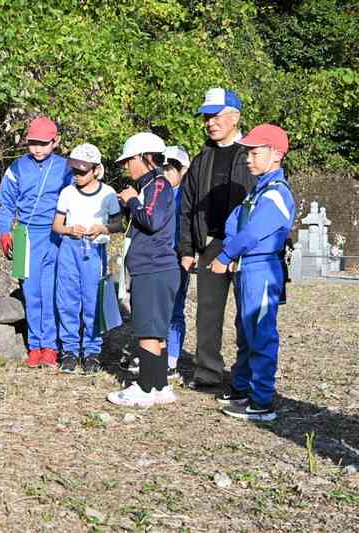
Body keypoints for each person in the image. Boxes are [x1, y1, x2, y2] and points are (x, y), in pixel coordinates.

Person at [209, 124, 295, 422]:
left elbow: (254, 233)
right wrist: (232, 247)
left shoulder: (276, 194)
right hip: (248, 268)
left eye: (255, 152)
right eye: (248, 152)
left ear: (276, 155)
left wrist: (226, 254)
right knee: (246, 331)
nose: (248, 158)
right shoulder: (258, 192)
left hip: (261, 268)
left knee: (260, 332)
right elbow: (235, 224)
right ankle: (243, 388)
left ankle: (262, 402)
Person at [179, 88, 256, 391]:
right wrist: (186, 248)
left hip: (245, 247)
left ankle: (244, 376)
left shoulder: (252, 155)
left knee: (246, 314)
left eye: (216, 116)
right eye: (207, 117)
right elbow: (186, 208)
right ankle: (208, 372)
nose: (210, 123)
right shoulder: (201, 159)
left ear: (235, 117)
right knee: (208, 313)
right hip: (210, 245)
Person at [107, 132, 180, 407]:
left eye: (128, 160)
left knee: (148, 329)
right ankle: (160, 385)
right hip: (155, 268)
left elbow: (151, 220)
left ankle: (145, 387)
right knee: (156, 329)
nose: (126, 166)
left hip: (154, 268)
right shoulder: (151, 187)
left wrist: (132, 200)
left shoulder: (157, 185)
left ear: (144, 158)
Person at [0, 117, 72, 368]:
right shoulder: (16, 168)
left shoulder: (66, 168)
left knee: (50, 291)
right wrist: (5, 232)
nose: (38, 149)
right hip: (23, 235)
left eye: (43, 143)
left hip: (53, 235)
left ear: (55, 142)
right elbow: (6, 203)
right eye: (33, 143)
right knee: (30, 292)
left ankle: (50, 346)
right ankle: (35, 346)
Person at [52, 143, 121, 375]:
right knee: (67, 301)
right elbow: (57, 226)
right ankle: (70, 351)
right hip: (69, 250)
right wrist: (71, 230)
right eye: (74, 171)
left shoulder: (108, 193)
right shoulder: (67, 193)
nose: (77, 176)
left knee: (93, 302)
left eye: (83, 171)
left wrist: (102, 228)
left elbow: (118, 224)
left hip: (94, 252)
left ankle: (92, 351)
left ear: (96, 170)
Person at [163, 146, 191, 381]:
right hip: (157, 258)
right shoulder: (156, 191)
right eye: (163, 168)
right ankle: (153, 353)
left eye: (171, 168)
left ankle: (172, 358)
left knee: (175, 309)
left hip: (178, 256)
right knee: (156, 308)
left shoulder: (188, 195)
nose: (166, 173)